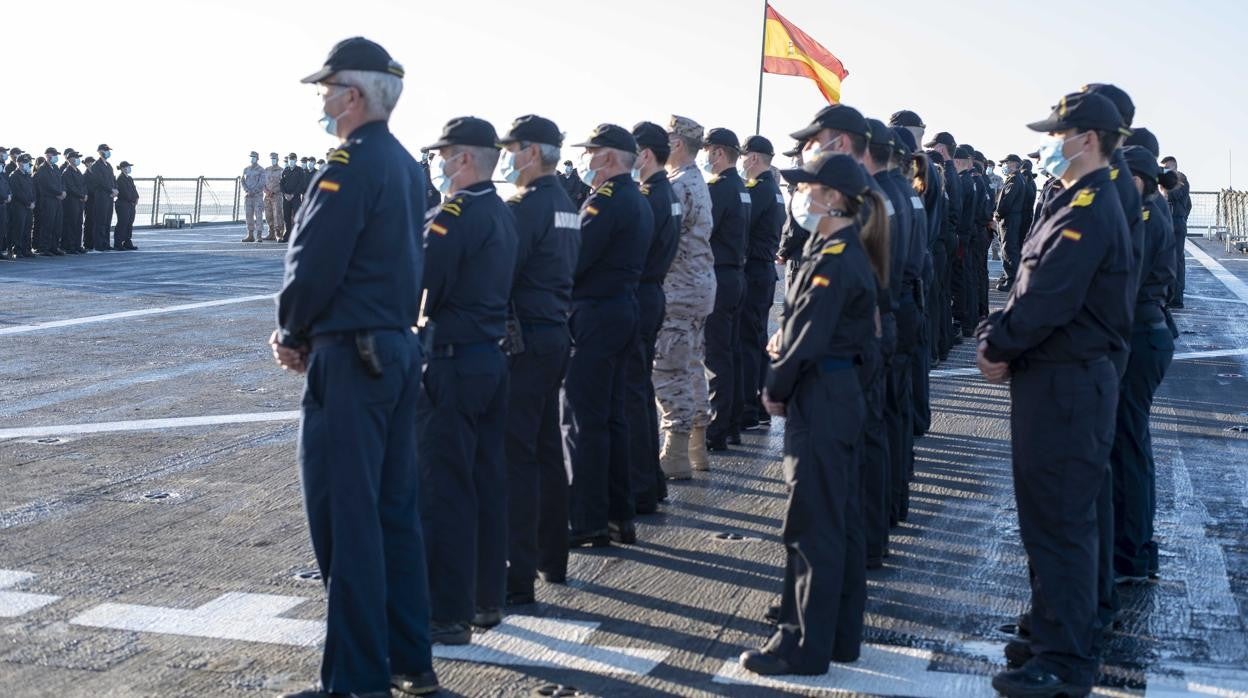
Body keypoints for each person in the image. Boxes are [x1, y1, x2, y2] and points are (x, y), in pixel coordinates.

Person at [272, 36, 438, 698]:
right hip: (395, 350)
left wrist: (292, 328)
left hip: (352, 357)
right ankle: (409, 661)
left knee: (348, 521)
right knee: (395, 513)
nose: (322, 98)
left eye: (328, 87)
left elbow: (315, 260)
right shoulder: (403, 164)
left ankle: (355, 681)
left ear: (356, 93)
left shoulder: (351, 164)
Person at [977, 90, 1132, 698]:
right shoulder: (1080, 198)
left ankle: (1064, 661)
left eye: (1057, 133)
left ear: (1086, 138)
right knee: (1057, 516)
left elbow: (1049, 297)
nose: (1049, 143)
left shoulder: (1089, 206)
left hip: (1066, 381)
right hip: (1060, 379)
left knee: (1059, 520)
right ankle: (1054, 629)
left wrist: (997, 342)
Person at [740, 153, 882, 676]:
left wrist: (776, 385)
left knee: (811, 525)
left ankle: (801, 643)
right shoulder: (839, 251)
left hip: (821, 393)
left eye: (811, 187)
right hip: (836, 390)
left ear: (835, 199)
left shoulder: (834, 257)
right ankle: (839, 635)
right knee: (837, 520)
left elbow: (808, 337)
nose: (803, 196)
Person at [419, 116, 517, 640]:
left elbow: (423, 284)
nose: (436, 163)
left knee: (444, 489)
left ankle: (446, 612)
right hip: (489, 359)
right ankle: (485, 599)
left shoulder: (453, 215)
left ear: (462, 159)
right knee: (485, 481)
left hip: (453, 363)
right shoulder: (500, 212)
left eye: (441, 154)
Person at [496, 114, 580, 606]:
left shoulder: (526, 207)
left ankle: (517, 571)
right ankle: (553, 556)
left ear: (531, 153)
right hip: (554, 335)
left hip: (524, 341)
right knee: (548, 450)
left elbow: (502, 272)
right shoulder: (565, 201)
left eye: (512, 148)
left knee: (517, 457)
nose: (507, 156)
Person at [564, 123, 653, 547]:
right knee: (614, 418)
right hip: (623, 309)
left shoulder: (605, 201)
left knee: (586, 421)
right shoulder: (637, 199)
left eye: (593, 152)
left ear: (612, 157)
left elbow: (575, 259)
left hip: (597, 314)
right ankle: (620, 514)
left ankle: (587, 519)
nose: (587, 158)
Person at [1111, 145, 1177, 586]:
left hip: (1138, 336)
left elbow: (1125, 284)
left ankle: (1132, 550)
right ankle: (1138, 546)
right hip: (1147, 333)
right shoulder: (1153, 209)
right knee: (1132, 445)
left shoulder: (1147, 216)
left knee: (1129, 448)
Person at [655, 115, 716, 478]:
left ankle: (675, 454)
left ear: (676, 144)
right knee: (692, 364)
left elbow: (664, 239)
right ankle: (696, 448)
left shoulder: (678, 186)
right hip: (697, 285)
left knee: (669, 368)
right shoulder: (697, 181)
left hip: (678, 288)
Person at [627, 121, 682, 512]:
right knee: (641, 391)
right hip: (654, 291)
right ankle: (651, 481)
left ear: (644, 154)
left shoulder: (649, 196)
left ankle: (641, 485)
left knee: (632, 394)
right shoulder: (668, 192)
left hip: (641, 292)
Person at [700, 127, 750, 451]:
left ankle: (716, 430)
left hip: (720, 276)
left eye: (708, 150)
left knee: (716, 357)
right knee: (730, 354)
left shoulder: (719, 188)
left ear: (718, 153)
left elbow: (704, 230)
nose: (705, 156)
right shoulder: (742, 187)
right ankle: (731, 424)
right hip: (737, 276)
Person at [737, 135, 785, 433]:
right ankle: (759, 405)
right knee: (754, 339)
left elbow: (741, 226)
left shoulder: (759, 189)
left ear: (753, 158)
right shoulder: (773, 189)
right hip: (762, 271)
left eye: (744, 156)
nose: (742, 161)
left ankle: (751, 409)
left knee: (748, 342)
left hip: (754, 270)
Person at [1160, 155, 1190, 308]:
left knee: (1177, 260)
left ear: (1173, 167)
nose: (1162, 172)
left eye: (1165, 168)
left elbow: (1175, 194)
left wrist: (1180, 220)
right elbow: (1189, 205)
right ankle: (1169, 295)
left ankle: (1176, 298)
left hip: (1176, 223)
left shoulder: (1180, 178)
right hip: (1171, 222)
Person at [995, 154, 1026, 291]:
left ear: (1013, 164)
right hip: (1012, 217)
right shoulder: (1017, 179)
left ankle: (1011, 280)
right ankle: (1012, 279)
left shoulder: (1015, 180)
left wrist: (998, 213)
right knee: (1009, 248)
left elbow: (1007, 201)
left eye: (1006, 163)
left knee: (1008, 249)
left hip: (1009, 218)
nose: (1004, 166)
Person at [33, 147, 66, 256]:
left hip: (57, 200)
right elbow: (47, 185)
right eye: (54, 154)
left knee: (57, 224)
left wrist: (63, 191)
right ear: (48, 155)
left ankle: (54, 246)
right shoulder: (42, 169)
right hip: (48, 200)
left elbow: (61, 182)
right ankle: (44, 247)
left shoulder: (56, 167)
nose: (56, 157)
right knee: (48, 224)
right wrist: (58, 193)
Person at [87, 144, 117, 252]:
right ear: (100, 151)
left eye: (108, 150)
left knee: (107, 220)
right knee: (100, 220)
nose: (108, 152)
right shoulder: (96, 165)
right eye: (105, 150)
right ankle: (99, 244)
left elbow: (113, 179)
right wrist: (110, 190)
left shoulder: (109, 166)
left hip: (109, 197)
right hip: (101, 196)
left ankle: (106, 242)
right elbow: (99, 181)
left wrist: (115, 189)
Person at [7, 154, 35, 258]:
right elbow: (17, 192)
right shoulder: (14, 175)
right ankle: (17, 250)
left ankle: (26, 249)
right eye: (24, 162)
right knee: (19, 228)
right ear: (19, 163)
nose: (27, 164)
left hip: (29, 207)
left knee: (27, 228)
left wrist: (33, 202)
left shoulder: (27, 176)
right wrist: (28, 203)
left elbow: (33, 190)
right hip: (19, 206)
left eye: (27, 162)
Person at [61, 150, 88, 254]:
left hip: (80, 201)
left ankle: (77, 245)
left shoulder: (78, 171)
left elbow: (84, 184)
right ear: (70, 159)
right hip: (71, 201)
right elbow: (70, 187)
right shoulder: (67, 172)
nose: (78, 159)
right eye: (75, 157)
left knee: (78, 223)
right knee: (71, 223)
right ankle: (70, 246)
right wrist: (81, 195)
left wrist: (85, 194)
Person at [280, 152, 306, 243]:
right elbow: (281, 184)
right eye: (290, 159)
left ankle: (296, 236)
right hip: (286, 198)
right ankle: (287, 236)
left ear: (296, 160)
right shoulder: (285, 170)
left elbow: (301, 184)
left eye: (293, 159)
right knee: (286, 217)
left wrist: (293, 194)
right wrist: (285, 194)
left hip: (295, 198)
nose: (291, 161)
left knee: (296, 217)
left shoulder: (300, 171)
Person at [114, 162, 139, 251]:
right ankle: (118, 243)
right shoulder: (120, 179)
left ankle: (127, 242)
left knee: (129, 223)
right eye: (128, 167)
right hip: (123, 204)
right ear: (123, 168)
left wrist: (136, 198)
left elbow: (134, 189)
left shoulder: (129, 178)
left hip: (130, 204)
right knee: (122, 223)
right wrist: (132, 199)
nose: (129, 168)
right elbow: (124, 192)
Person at [242, 150, 265, 242]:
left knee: (258, 215)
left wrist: (253, 191)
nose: (252, 158)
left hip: (257, 196)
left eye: (254, 157)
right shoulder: (246, 169)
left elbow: (262, 182)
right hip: (248, 196)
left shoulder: (261, 170)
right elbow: (242, 181)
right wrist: (247, 191)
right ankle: (250, 235)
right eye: (251, 157)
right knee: (248, 215)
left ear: (257, 158)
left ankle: (259, 235)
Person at [263, 152, 285, 241]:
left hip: (277, 196)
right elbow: (262, 182)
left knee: (277, 215)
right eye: (272, 159)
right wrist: (266, 191)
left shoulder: (281, 170)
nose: (273, 160)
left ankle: (278, 234)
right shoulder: (266, 170)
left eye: (274, 159)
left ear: (277, 160)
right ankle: (271, 233)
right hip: (267, 196)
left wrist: (274, 191)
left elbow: (283, 184)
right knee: (268, 215)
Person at [82, 156, 97, 251]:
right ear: (86, 164)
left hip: (97, 201)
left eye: (92, 162)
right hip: (90, 201)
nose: (91, 164)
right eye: (90, 162)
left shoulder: (96, 174)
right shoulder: (85, 175)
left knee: (96, 222)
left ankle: (94, 241)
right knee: (89, 222)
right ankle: (87, 243)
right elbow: (88, 189)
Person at [0, 148, 9, 260]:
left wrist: (8, 195)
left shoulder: (2, 175)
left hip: (3, 204)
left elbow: (6, 186)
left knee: (2, 228)